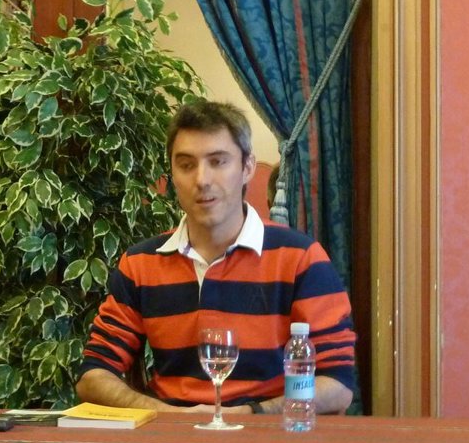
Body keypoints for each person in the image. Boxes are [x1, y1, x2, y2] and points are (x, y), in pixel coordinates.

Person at [78, 101, 356, 415]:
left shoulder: (300, 258)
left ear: (247, 167)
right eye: (186, 165)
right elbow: (93, 375)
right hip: (171, 433)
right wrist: (169, 416)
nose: (202, 179)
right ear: (172, 174)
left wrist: (252, 413)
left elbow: (337, 385)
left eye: (218, 162)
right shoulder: (140, 264)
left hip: (267, 433)